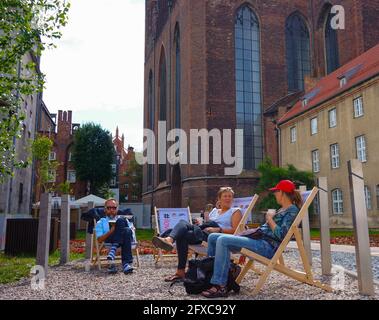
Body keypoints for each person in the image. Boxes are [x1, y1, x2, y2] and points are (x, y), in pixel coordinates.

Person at [201, 180, 302, 298]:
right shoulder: (281, 210)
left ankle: (221, 285)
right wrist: (244, 241)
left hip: (266, 246)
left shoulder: (292, 210)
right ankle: (212, 277)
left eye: (276, 191)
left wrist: (269, 219)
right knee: (213, 237)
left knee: (223, 240)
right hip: (258, 241)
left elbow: (281, 235)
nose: (274, 194)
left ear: (283, 193)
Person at [152, 187, 242, 282]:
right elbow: (206, 225)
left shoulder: (235, 211)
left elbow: (236, 231)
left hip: (216, 237)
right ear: (219, 199)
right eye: (225, 196)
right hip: (204, 232)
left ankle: (169, 240)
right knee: (183, 233)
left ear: (232, 199)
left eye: (230, 196)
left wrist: (218, 229)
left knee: (183, 225)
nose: (228, 198)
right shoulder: (215, 211)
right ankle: (179, 269)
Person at [95, 198, 134, 275]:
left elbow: (130, 233)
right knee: (124, 226)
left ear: (117, 209)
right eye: (109, 208)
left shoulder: (124, 220)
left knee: (124, 226)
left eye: (114, 208)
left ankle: (113, 249)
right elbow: (99, 240)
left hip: (124, 240)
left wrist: (129, 228)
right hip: (109, 240)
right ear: (105, 209)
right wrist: (111, 230)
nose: (111, 210)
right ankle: (126, 264)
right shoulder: (101, 222)